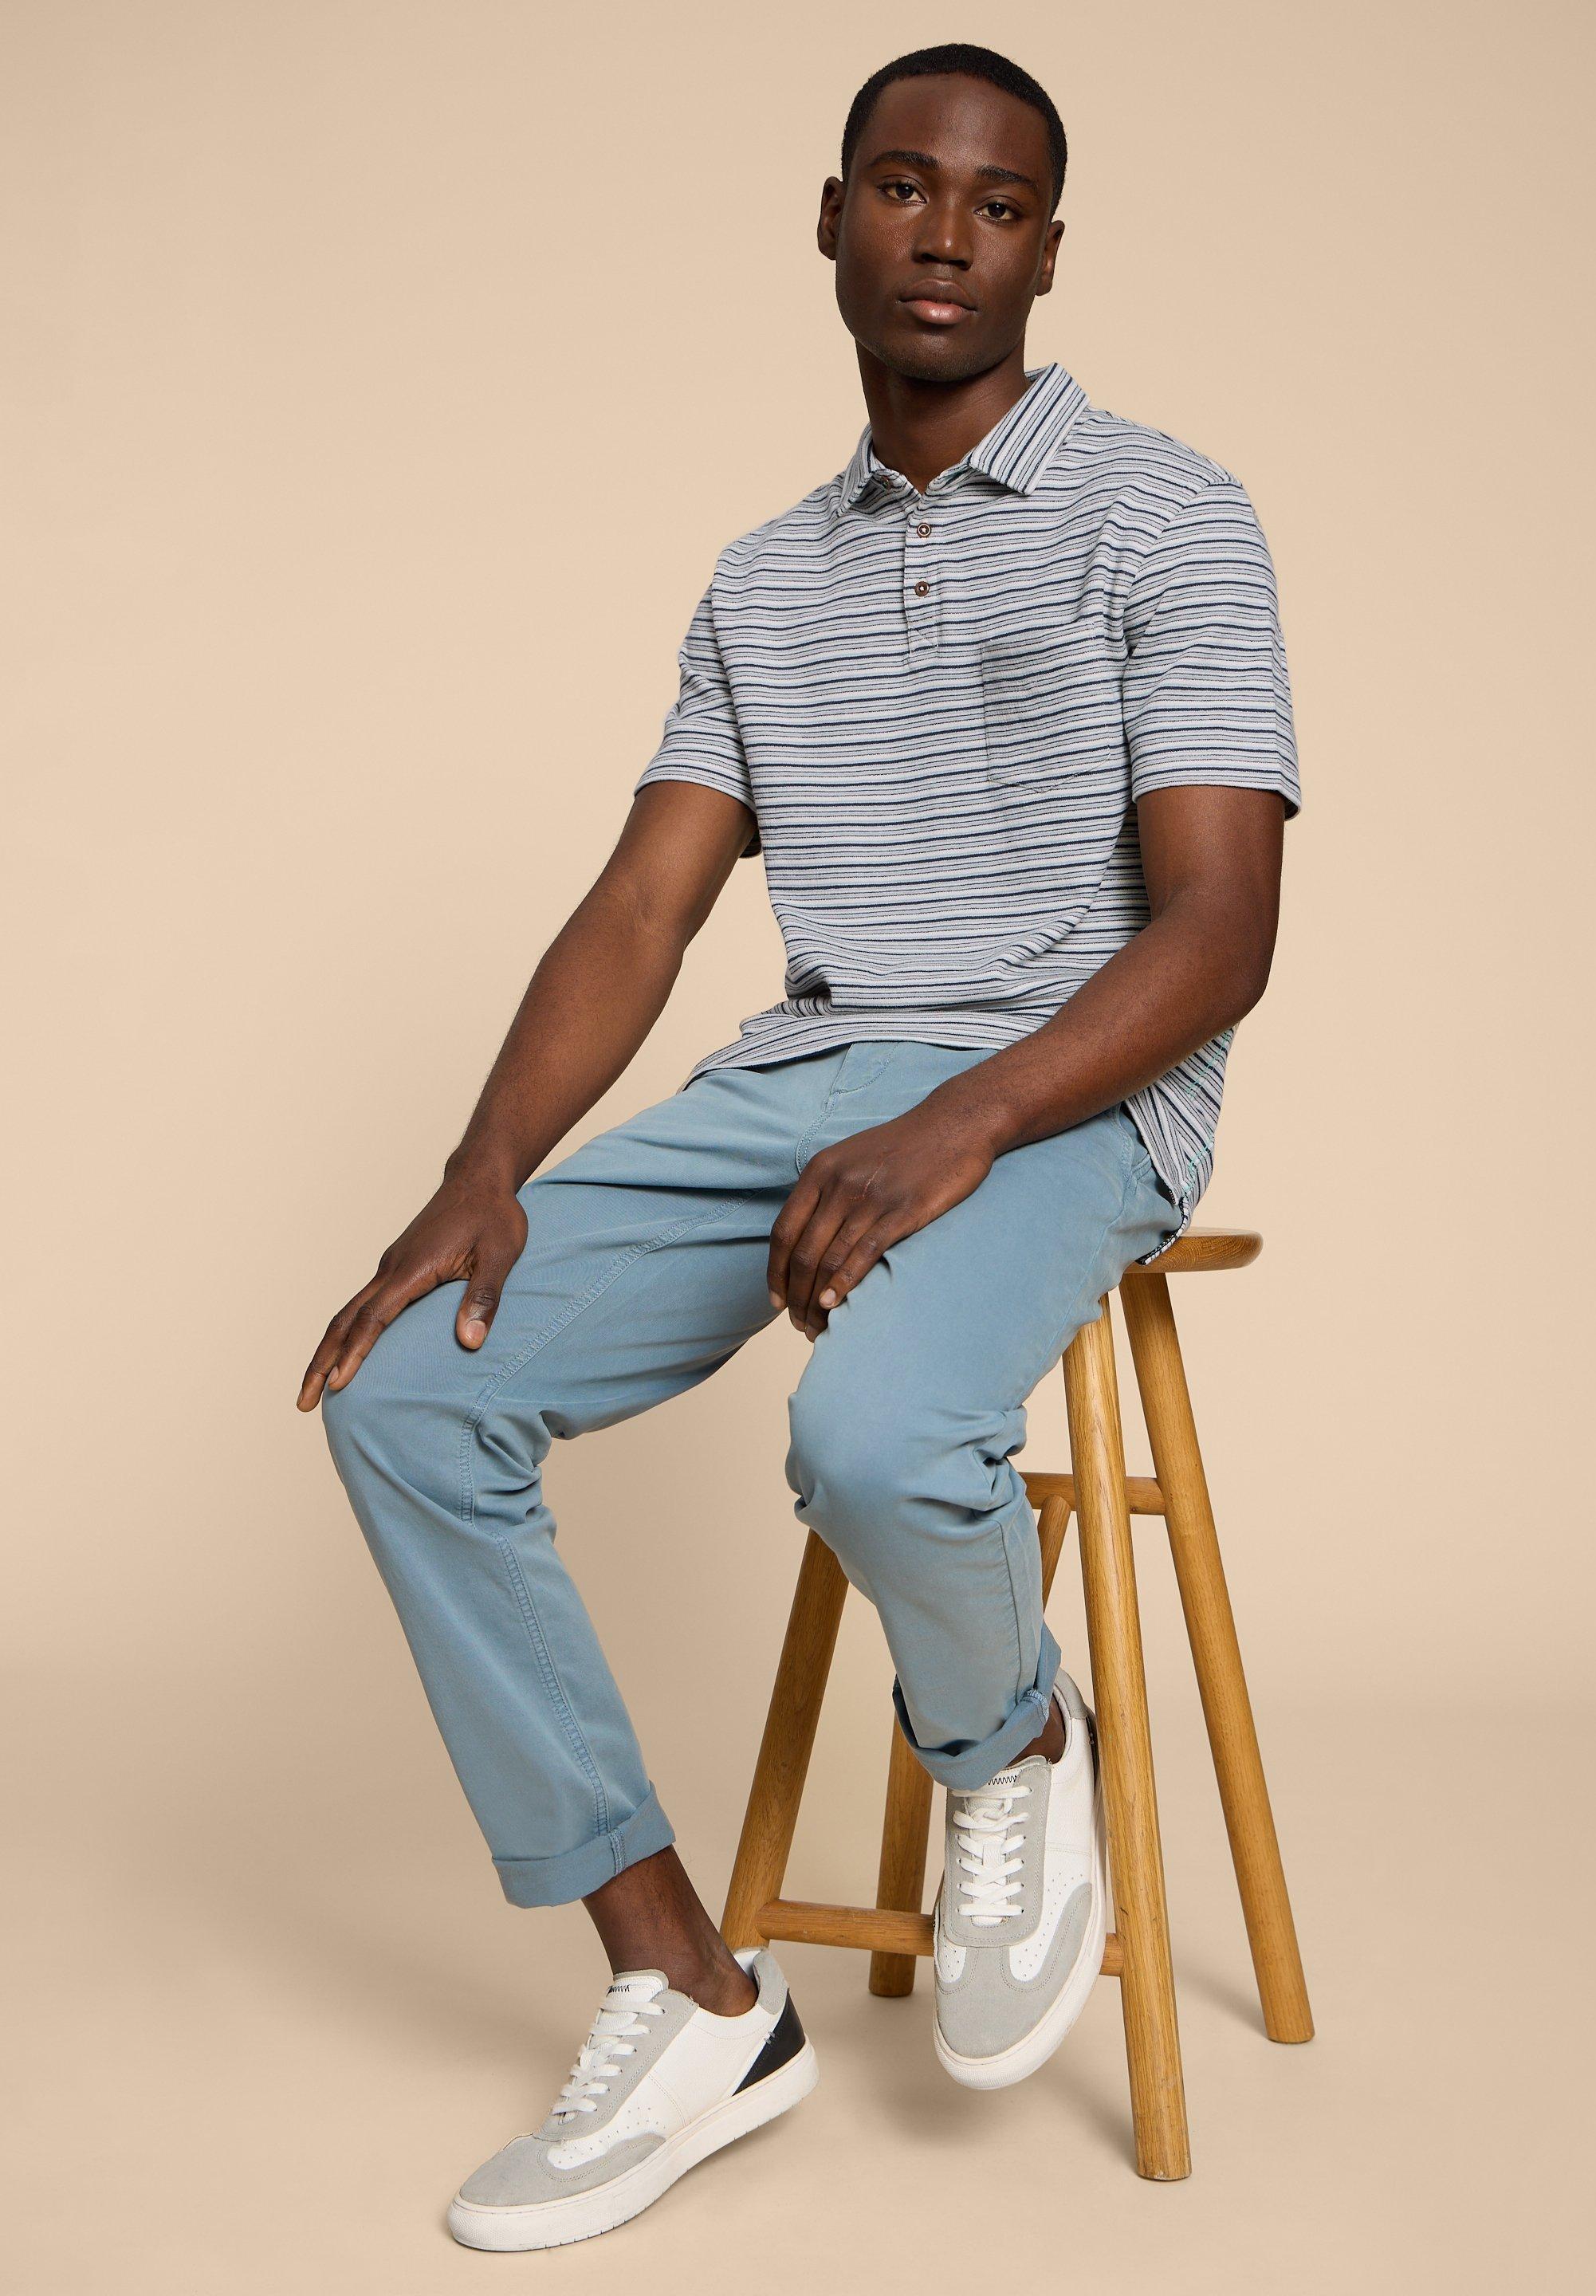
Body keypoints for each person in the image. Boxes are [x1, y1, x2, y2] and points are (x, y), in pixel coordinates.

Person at [298, 41, 1300, 2250]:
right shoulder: (762, 580)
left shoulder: (1169, 511)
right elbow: (644, 907)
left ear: (1050, 250)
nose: (948, 235)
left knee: (870, 1436)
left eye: (1000, 204)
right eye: (905, 187)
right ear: (832, 217)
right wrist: (485, 1168)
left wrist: (968, 1116)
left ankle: (1013, 1748)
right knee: (407, 1392)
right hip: (806, 1084)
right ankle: (687, 1993)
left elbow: (1222, 929)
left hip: (1075, 1090)